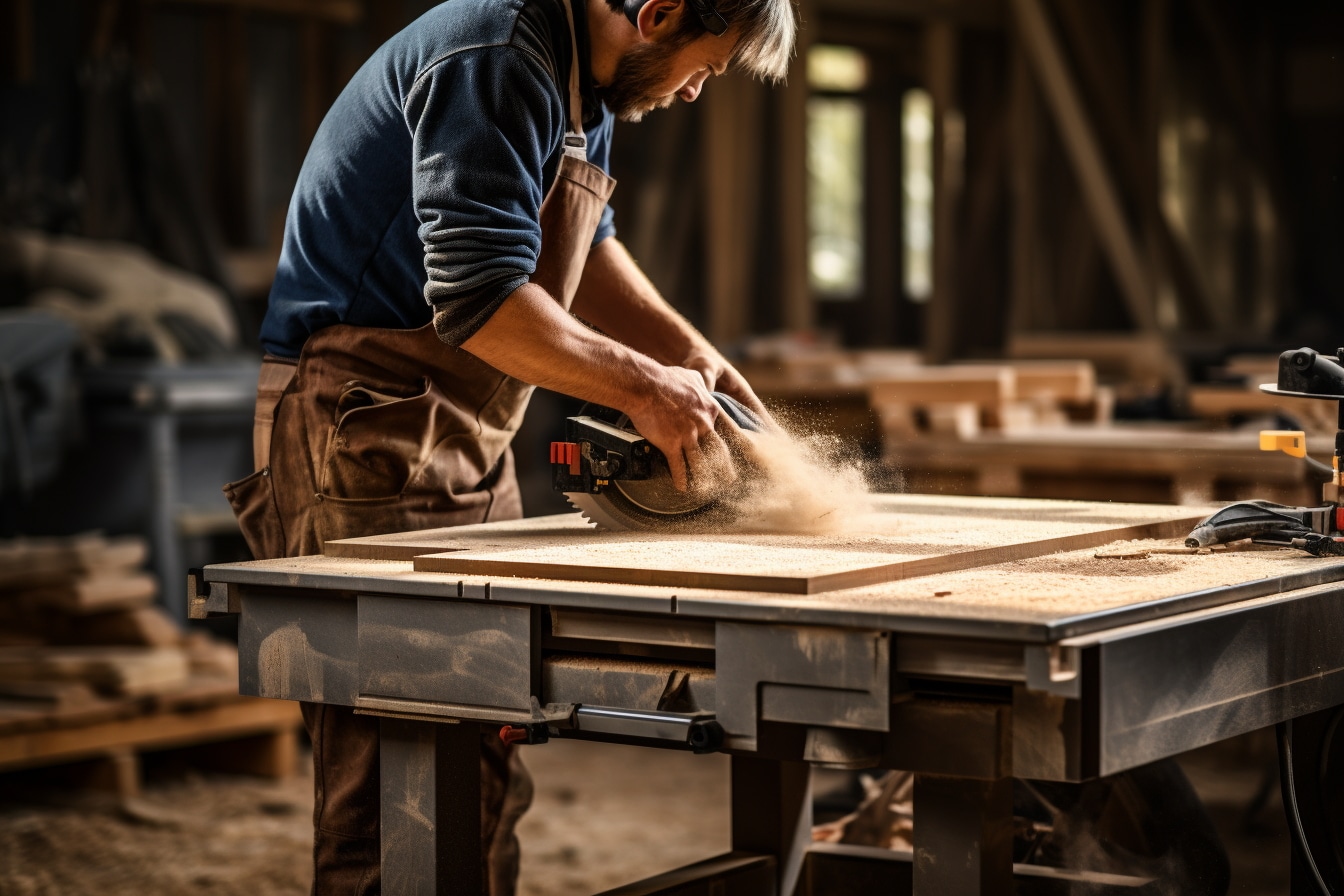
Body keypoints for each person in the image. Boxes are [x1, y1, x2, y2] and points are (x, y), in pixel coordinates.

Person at [223, 0, 797, 892]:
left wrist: (688, 354)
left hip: (461, 435)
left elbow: (586, 247)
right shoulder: (496, 56)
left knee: (482, 762)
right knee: (392, 788)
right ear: (658, 12)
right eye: (705, 67)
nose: (694, 92)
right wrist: (647, 387)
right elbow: (482, 298)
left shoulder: (589, 85)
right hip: (360, 431)